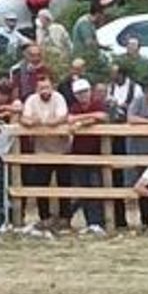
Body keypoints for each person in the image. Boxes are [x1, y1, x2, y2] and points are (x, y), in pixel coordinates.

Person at [19, 74, 71, 228]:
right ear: (36, 89)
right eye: (41, 88)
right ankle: (45, 218)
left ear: (52, 87)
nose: (45, 91)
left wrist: (42, 123)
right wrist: (31, 122)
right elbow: (25, 119)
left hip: (62, 149)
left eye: (47, 87)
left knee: (64, 185)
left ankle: (65, 218)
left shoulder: (59, 98)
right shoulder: (31, 100)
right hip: (41, 150)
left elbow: (62, 117)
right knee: (41, 184)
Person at [64, 78, 108, 234]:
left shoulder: (97, 103)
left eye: (85, 91)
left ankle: (98, 222)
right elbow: (69, 119)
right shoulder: (75, 107)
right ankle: (90, 222)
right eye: (79, 93)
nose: (83, 95)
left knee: (96, 188)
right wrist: (89, 119)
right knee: (83, 189)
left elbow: (102, 116)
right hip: (78, 153)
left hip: (96, 153)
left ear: (90, 91)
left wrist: (81, 122)